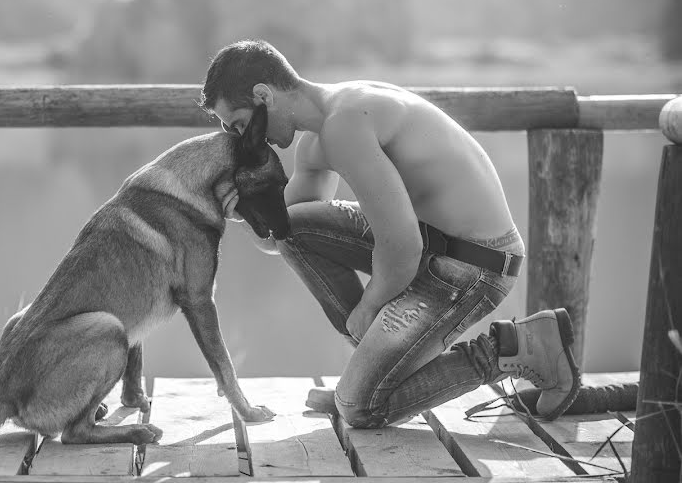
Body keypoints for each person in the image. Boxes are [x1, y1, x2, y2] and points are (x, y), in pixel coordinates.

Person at [199, 39, 581, 427]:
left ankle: (515, 349)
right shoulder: (319, 136)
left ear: (264, 95)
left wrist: (368, 308)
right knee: (297, 231)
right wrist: (242, 209)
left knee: (360, 409)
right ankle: (373, 372)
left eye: (242, 126)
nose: (249, 141)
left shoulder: (344, 123)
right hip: (430, 246)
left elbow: (402, 246)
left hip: (475, 264)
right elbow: (280, 235)